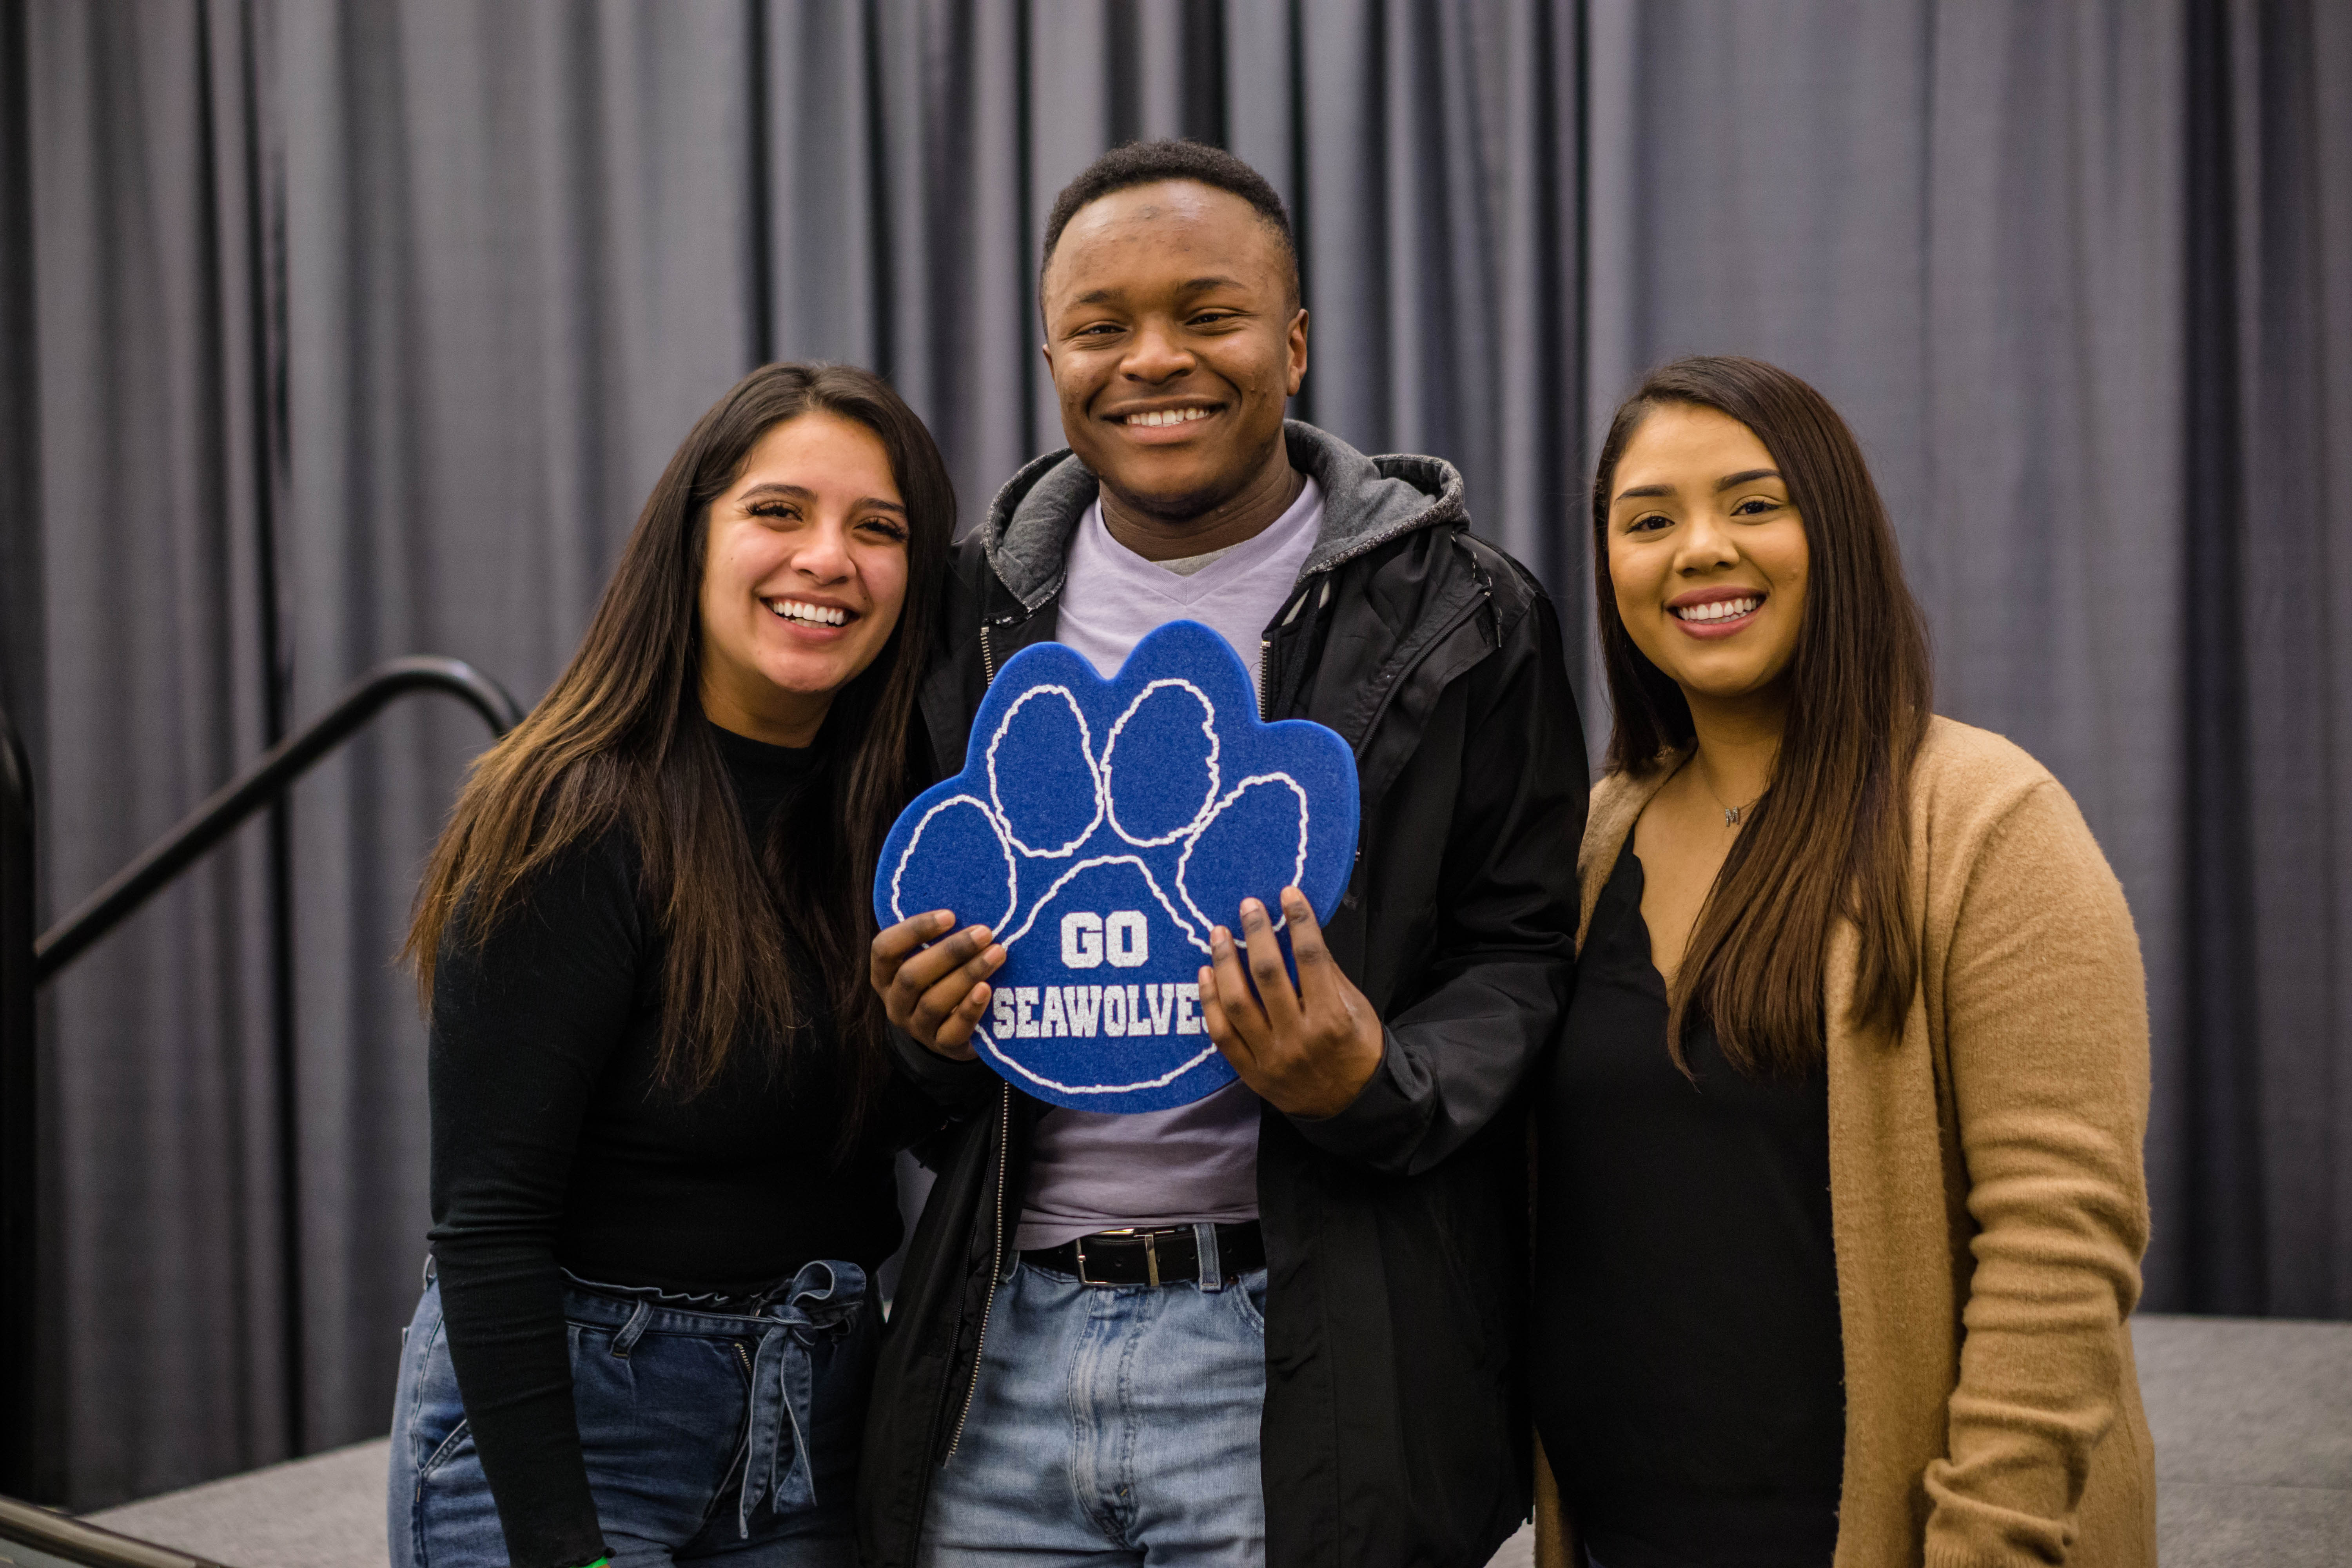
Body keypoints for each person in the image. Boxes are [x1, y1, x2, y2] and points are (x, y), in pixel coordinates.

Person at [859, 140, 1588, 1568]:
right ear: (1050, 354)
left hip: (1298, 1348)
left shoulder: (1465, 613)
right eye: (1101, 325)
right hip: (999, 1354)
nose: (1154, 360)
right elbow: (909, 1006)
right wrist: (920, 1034)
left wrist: (1376, 1078)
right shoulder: (964, 617)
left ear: (1295, 343)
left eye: (1210, 314)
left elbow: (1527, 954)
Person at [1531, 356, 2154, 1568]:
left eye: (1755, 504)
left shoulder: (1984, 822)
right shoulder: (1591, 841)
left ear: (1841, 536)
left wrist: (1988, 1544)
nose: (1700, 549)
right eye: (1649, 521)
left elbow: (2060, 1249)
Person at [387, 362, 954, 1568]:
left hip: (819, 1404)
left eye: (879, 528)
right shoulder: (569, 811)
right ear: (689, 539)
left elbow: (910, 1134)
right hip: (580, 1427)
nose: (828, 559)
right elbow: (486, 1228)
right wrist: (560, 1545)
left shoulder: (905, 815)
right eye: (778, 511)